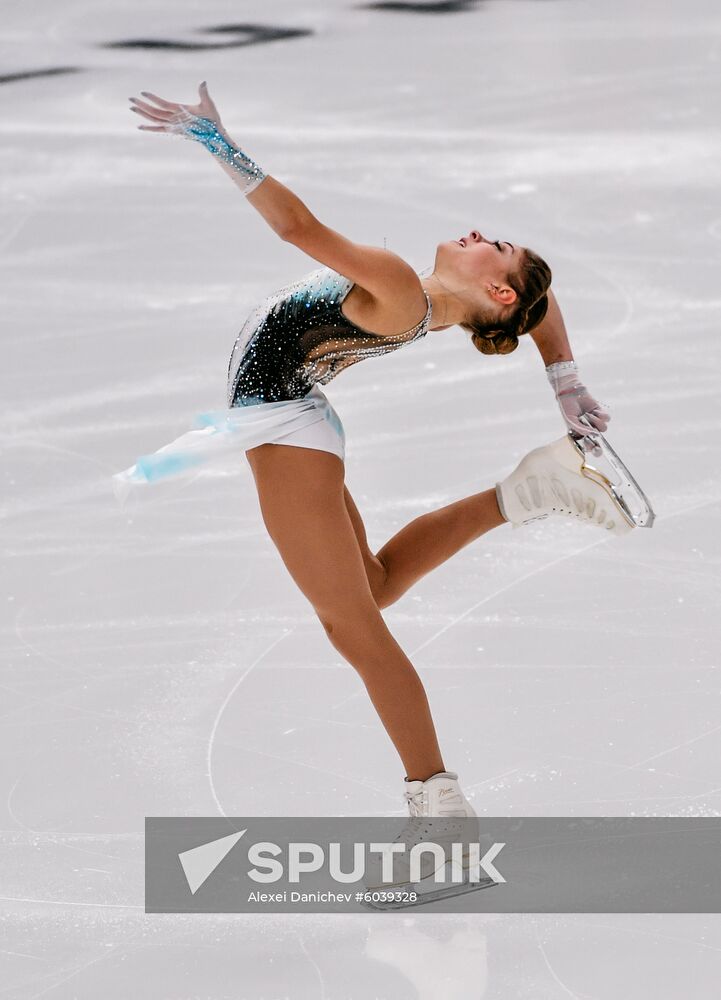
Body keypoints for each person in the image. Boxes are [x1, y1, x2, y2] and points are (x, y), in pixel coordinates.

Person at [120, 82, 628, 821]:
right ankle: (524, 491)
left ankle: (439, 806)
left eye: (497, 244)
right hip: (297, 420)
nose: (479, 230)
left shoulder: (396, 283)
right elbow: (539, 307)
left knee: (353, 625)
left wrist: (217, 145)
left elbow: (295, 226)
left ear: (493, 288)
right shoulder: (435, 297)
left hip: (285, 429)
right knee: (374, 590)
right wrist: (564, 381)